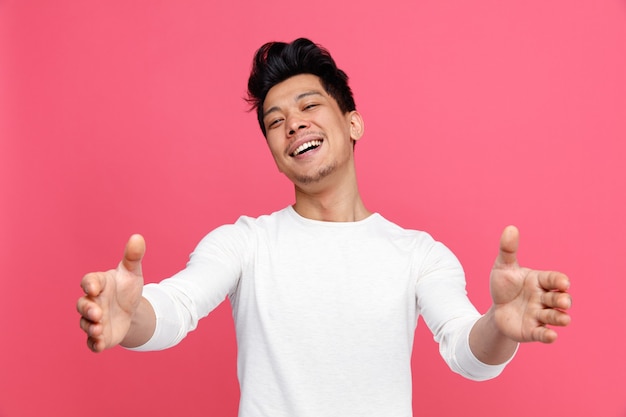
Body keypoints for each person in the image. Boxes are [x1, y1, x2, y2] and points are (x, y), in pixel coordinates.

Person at [77, 38, 572, 417]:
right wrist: (132, 317)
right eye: (275, 122)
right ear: (274, 152)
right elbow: (174, 307)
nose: (293, 124)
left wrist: (500, 329)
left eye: (310, 106)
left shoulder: (419, 255)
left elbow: (467, 350)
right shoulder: (245, 243)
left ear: (353, 123)